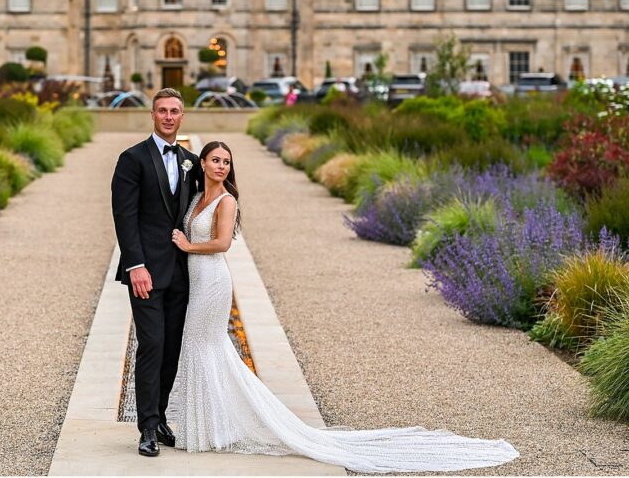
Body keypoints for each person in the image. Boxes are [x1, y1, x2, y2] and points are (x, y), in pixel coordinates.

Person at [165, 141, 520, 473]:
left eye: (227, 162)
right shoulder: (196, 196)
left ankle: (213, 429)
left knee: (206, 346)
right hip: (196, 279)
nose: (222, 167)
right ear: (203, 163)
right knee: (200, 348)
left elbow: (223, 243)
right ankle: (207, 426)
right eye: (216, 160)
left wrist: (186, 246)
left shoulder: (226, 200)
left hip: (212, 280)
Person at [110, 88, 201, 457]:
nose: (168, 116)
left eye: (174, 111)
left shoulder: (191, 161)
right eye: (162, 110)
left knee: (171, 350)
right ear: (152, 115)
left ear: (182, 116)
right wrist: (136, 266)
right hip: (145, 272)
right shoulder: (132, 159)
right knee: (151, 345)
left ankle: (161, 417)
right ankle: (146, 427)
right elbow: (124, 217)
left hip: (181, 273)